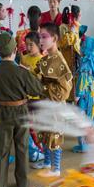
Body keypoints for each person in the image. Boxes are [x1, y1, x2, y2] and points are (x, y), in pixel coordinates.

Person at [0, 32, 44, 187]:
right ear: (15, 51)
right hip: (21, 111)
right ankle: (22, 184)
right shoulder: (22, 71)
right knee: (22, 148)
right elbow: (37, 89)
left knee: (2, 149)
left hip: (3, 110)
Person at [32, 22, 72, 176]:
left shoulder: (60, 62)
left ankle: (56, 168)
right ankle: (47, 162)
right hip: (44, 104)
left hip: (55, 107)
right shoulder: (46, 58)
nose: (40, 40)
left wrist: (42, 87)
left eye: (44, 37)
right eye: (39, 37)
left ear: (54, 38)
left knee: (54, 136)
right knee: (44, 133)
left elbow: (65, 90)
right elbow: (37, 73)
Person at [72, 36, 94, 153]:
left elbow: (83, 80)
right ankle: (92, 143)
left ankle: (84, 145)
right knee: (91, 119)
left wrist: (77, 96)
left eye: (83, 45)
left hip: (85, 97)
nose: (81, 47)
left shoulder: (86, 62)